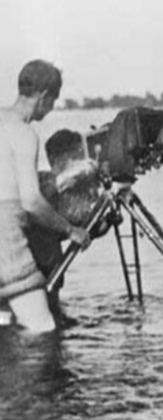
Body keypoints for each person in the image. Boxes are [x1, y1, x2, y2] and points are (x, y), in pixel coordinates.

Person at [0, 59, 90, 333]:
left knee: (6, 323)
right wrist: (70, 230)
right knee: (42, 329)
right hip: (5, 239)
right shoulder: (24, 133)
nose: (50, 109)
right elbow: (30, 202)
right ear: (44, 96)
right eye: (53, 101)